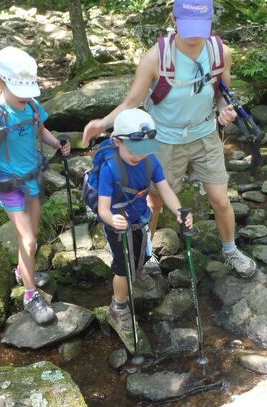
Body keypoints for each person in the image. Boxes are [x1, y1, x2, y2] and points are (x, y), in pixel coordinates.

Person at [83, 0, 257, 278]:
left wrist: (225, 110)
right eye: (188, 27)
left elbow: (221, 92)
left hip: (204, 134)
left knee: (220, 199)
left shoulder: (220, 52)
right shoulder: (155, 58)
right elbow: (133, 101)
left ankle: (230, 250)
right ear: (175, 21)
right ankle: (148, 254)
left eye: (201, 27)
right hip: (163, 138)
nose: (194, 35)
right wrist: (103, 124)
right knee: (154, 201)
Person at [0, 46, 71, 325]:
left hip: (34, 178)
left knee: (32, 236)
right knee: (28, 240)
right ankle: (30, 295)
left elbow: (39, 128)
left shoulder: (31, 104)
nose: (26, 96)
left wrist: (57, 145)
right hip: (9, 185)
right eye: (20, 90)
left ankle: (22, 269)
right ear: (1, 82)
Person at [98, 108, 193, 330]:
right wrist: (112, 220)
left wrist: (179, 211)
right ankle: (119, 305)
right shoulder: (110, 168)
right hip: (117, 224)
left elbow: (165, 190)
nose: (139, 156)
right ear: (117, 142)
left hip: (141, 218)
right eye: (134, 150)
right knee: (122, 267)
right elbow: (103, 209)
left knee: (143, 252)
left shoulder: (150, 162)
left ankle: (140, 271)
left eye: (144, 150)